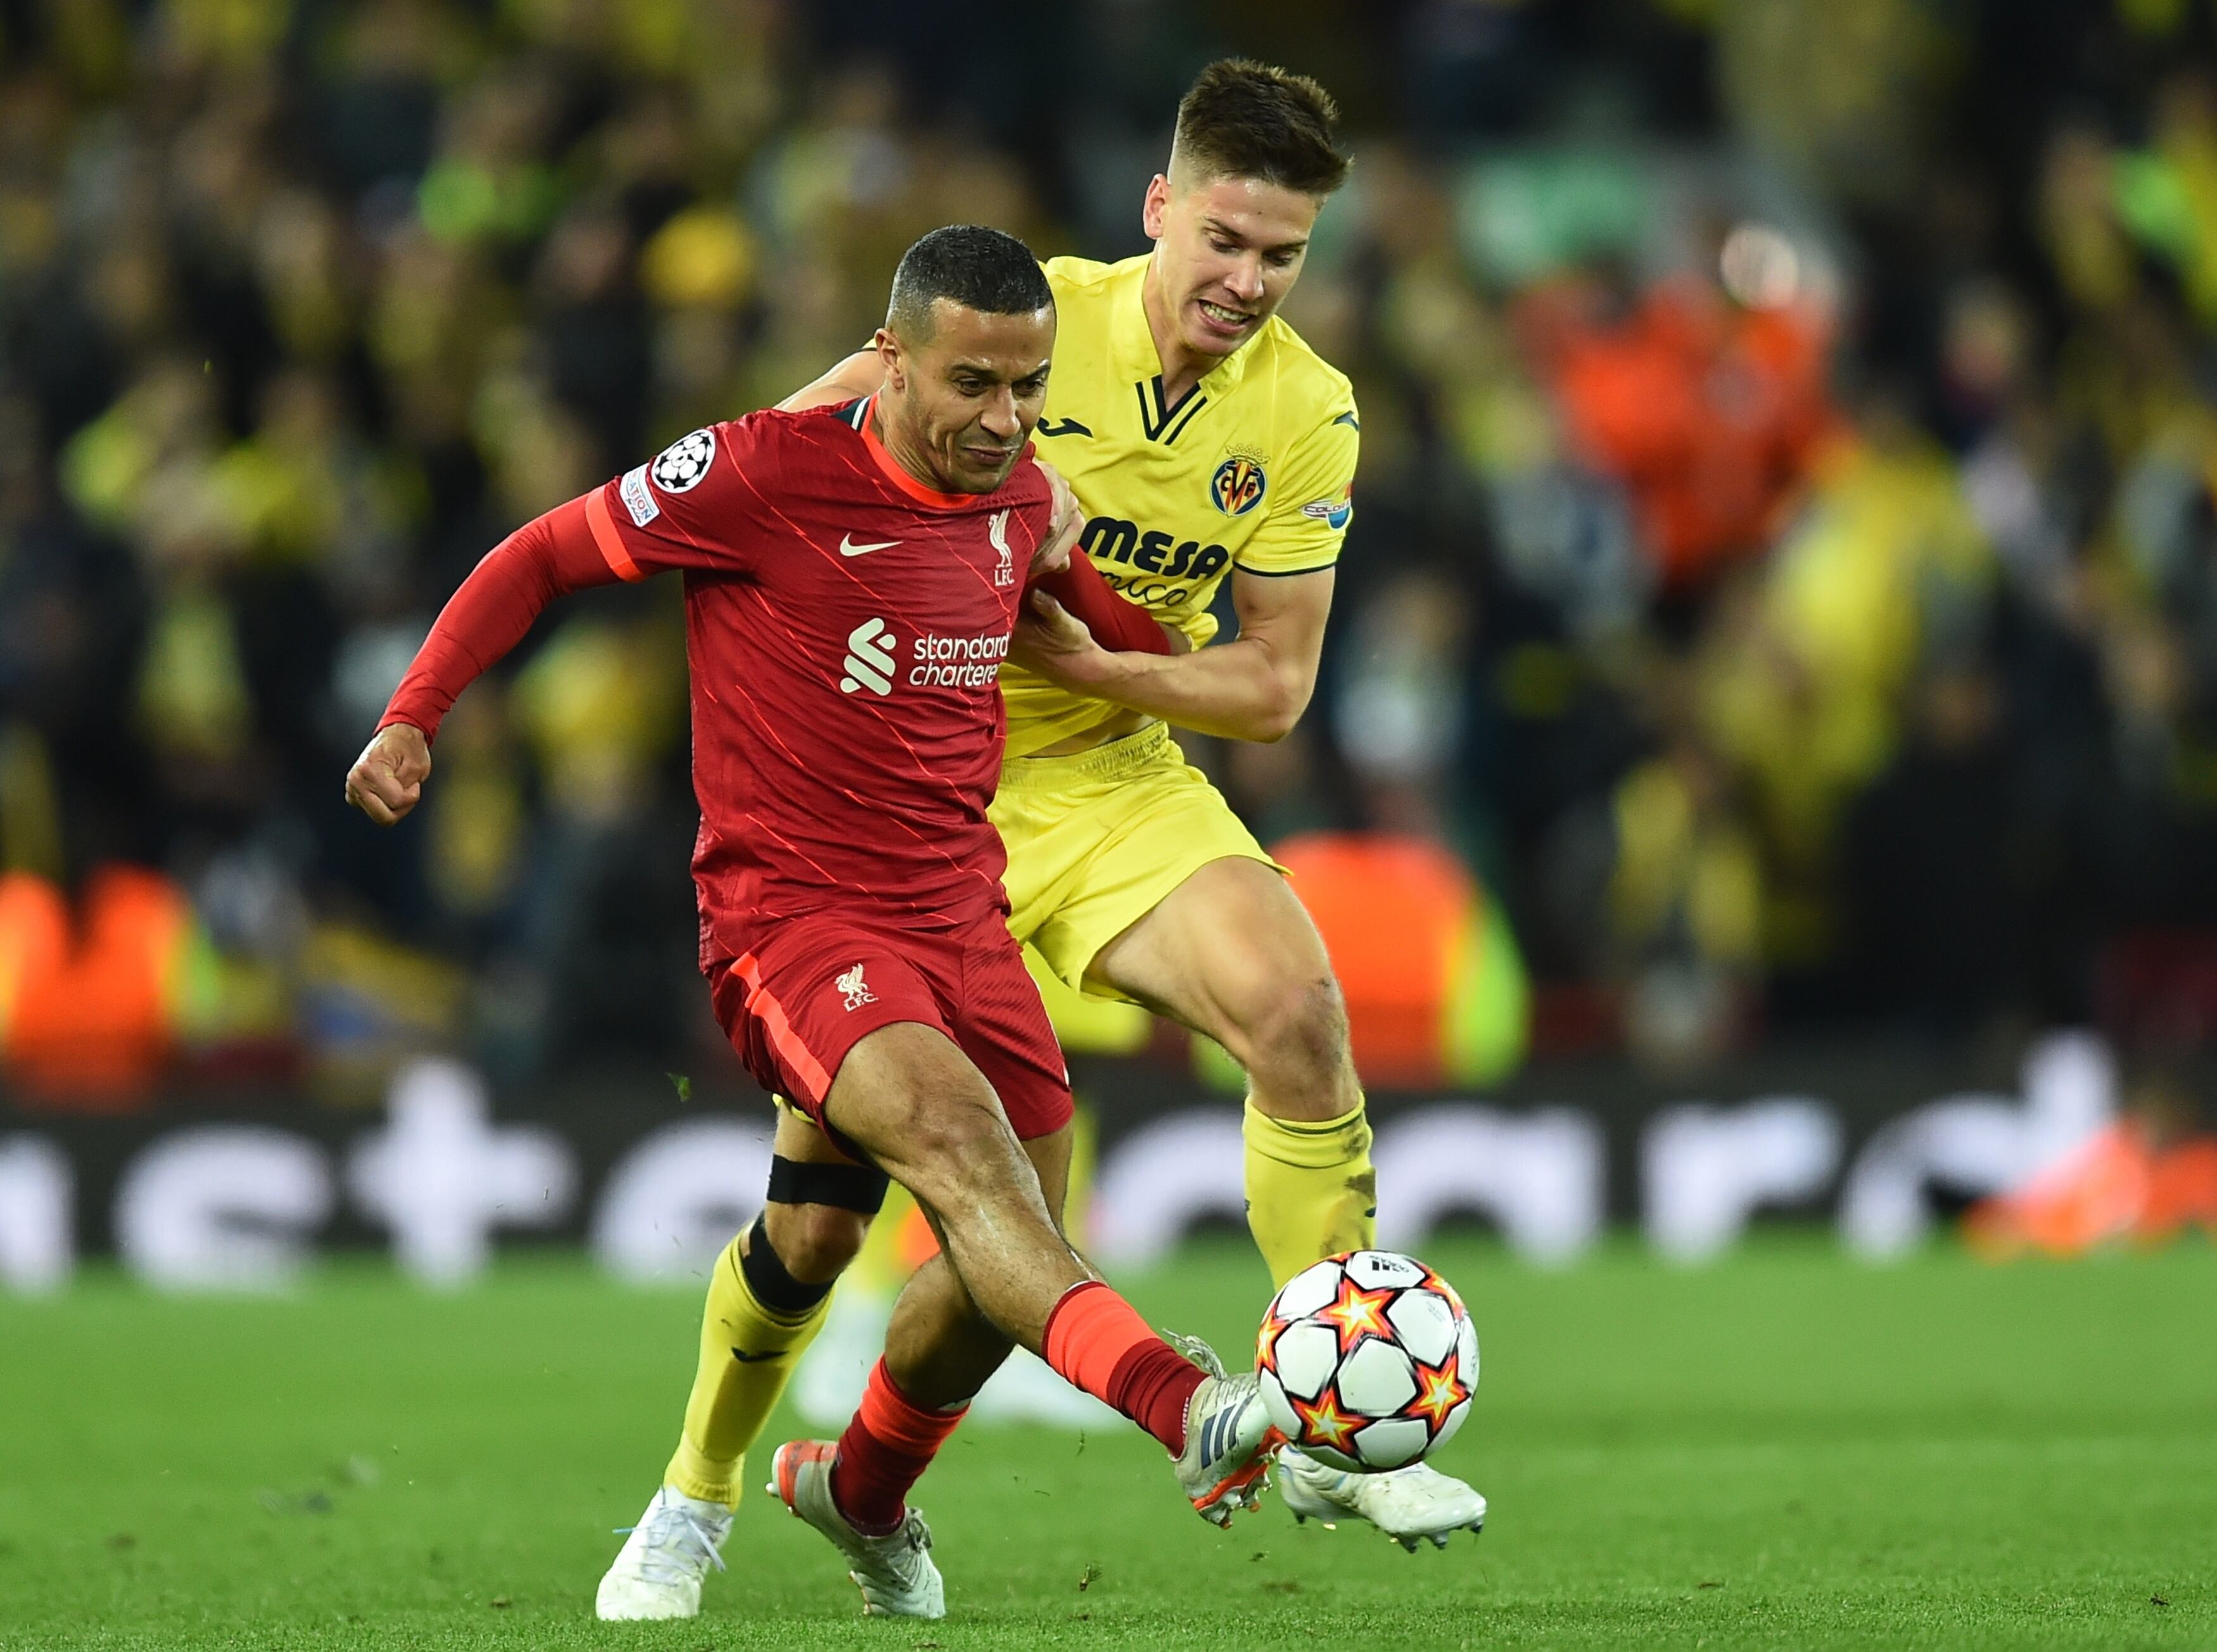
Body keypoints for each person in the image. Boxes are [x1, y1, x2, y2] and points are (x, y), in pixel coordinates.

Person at [599, 58, 1485, 1626]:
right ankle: (705, 1486)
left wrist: (1095, 667)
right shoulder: (1013, 323)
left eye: (1281, 256)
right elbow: (776, 465)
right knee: (838, 1227)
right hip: (893, 788)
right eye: (1222, 238)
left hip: (1104, 772)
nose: (1244, 280)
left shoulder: (1307, 413)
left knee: (1293, 1009)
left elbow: (1271, 689)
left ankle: (1326, 1420)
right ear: (1160, 207)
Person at [345, 226, 1278, 1624]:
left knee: (881, 1244)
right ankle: (1180, 1407)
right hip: (791, 916)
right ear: (889, 358)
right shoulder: (760, 473)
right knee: (972, 1171)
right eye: (973, 383)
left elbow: (1131, 651)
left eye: (1028, 388)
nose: (1004, 419)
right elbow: (538, 555)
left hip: (964, 922)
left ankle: (859, 1494)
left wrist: (1121, 588)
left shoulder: (1021, 496)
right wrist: (416, 715)